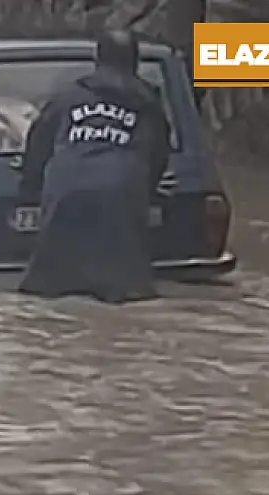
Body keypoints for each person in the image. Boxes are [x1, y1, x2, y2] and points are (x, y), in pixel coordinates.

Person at [15, 29, 172, 303]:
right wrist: (150, 191)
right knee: (127, 294)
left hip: (66, 190)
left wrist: (29, 187)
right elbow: (158, 153)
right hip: (121, 194)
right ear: (135, 62)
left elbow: (38, 142)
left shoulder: (68, 97)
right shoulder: (148, 103)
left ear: (97, 59)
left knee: (47, 290)